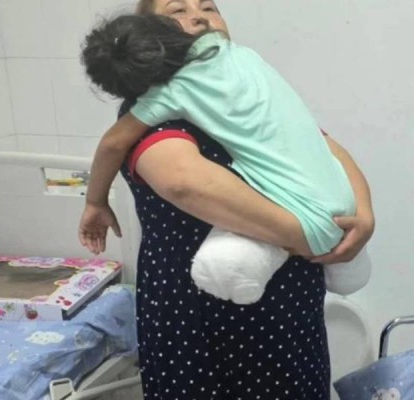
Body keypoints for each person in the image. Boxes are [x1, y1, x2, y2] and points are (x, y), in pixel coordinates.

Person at [77, 0, 374, 397]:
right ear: (148, 39)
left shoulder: (243, 84)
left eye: (209, 6)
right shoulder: (155, 113)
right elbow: (184, 183)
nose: (199, 15)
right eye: (177, 11)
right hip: (204, 314)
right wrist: (309, 234)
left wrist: (363, 215)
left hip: (289, 306)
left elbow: (325, 148)